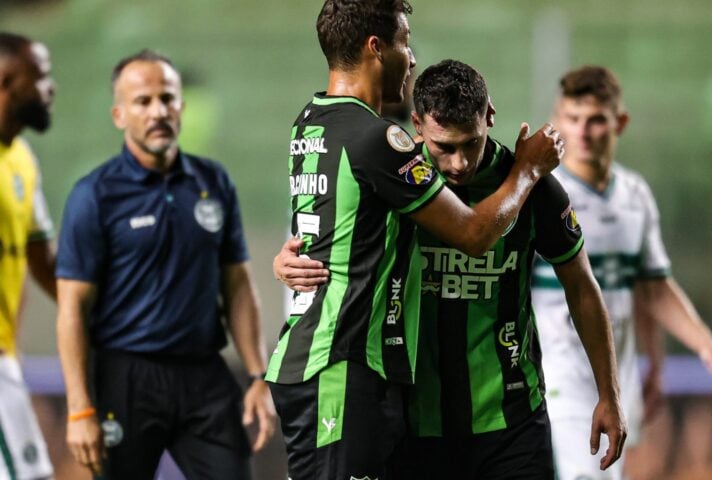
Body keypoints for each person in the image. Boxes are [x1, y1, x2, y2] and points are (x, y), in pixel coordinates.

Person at [276, 59, 627, 479]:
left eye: (471, 144)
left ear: (490, 117)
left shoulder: (535, 190)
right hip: (415, 423)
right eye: (446, 148)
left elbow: (582, 286)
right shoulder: (397, 179)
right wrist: (288, 261)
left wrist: (609, 393)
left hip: (510, 418)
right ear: (418, 126)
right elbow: (337, 240)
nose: (459, 164)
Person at [55, 49, 275, 479]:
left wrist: (257, 374)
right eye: (143, 101)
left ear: (182, 106)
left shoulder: (214, 182)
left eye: (167, 98)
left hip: (204, 375)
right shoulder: (94, 194)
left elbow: (237, 285)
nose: (158, 111)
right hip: (125, 378)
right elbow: (71, 310)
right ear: (119, 114)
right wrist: (80, 410)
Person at [531, 65, 712, 480]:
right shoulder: (541, 194)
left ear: (619, 122)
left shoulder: (634, 194)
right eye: (572, 119)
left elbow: (652, 288)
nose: (583, 132)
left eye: (595, 120)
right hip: (557, 374)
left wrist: (700, 345)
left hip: (616, 378)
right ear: (557, 121)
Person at [0, 31, 56, 480]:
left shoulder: (22, 159)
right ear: (6, 81)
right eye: (40, 76)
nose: (50, 87)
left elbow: (42, 261)